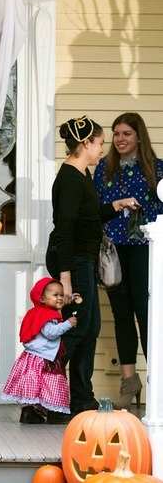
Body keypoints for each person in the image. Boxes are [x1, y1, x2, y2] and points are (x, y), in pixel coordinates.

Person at [46, 116, 139, 415]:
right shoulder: (70, 180)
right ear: (85, 144)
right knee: (77, 327)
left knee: (90, 327)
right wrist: (66, 277)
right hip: (72, 261)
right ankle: (42, 392)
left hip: (83, 259)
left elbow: (88, 218)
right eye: (99, 143)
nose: (102, 149)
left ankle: (81, 399)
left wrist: (117, 204)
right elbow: (65, 229)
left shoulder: (82, 175)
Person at [93, 112, 163, 409]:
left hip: (146, 249)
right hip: (114, 251)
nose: (120, 139)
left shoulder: (157, 170)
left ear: (138, 137)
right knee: (121, 314)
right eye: (116, 134)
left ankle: (155, 382)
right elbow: (96, 208)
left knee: (147, 314)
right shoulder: (104, 169)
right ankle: (129, 380)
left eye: (126, 134)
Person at [2, 278, 76, 424]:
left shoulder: (38, 312)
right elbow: (51, 333)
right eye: (55, 295)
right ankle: (55, 413)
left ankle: (30, 412)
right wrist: (68, 323)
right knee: (52, 383)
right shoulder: (47, 315)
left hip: (34, 356)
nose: (60, 298)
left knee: (37, 385)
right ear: (42, 298)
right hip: (43, 358)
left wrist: (71, 299)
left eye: (61, 295)